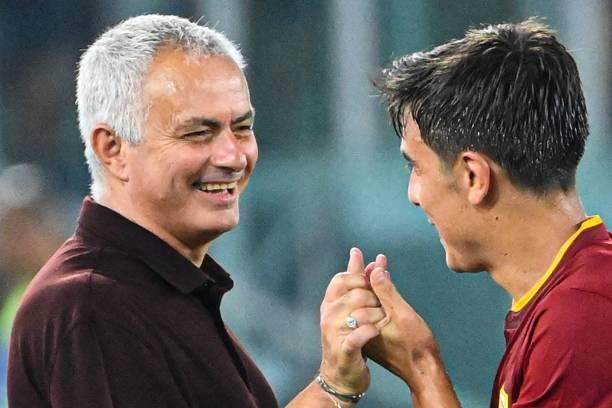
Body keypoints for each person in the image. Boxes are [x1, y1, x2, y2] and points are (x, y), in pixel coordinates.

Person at [8, 15, 383, 407]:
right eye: (198, 133)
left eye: (242, 128)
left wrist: (334, 384)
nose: (233, 156)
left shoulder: (153, 292)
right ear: (112, 149)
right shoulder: (95, 309)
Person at [345, 18, 612, 407]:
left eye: (415, 167)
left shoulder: (579, 320)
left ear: (474, 176)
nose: (413, 195)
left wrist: (422, 368)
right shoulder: (574, 300)